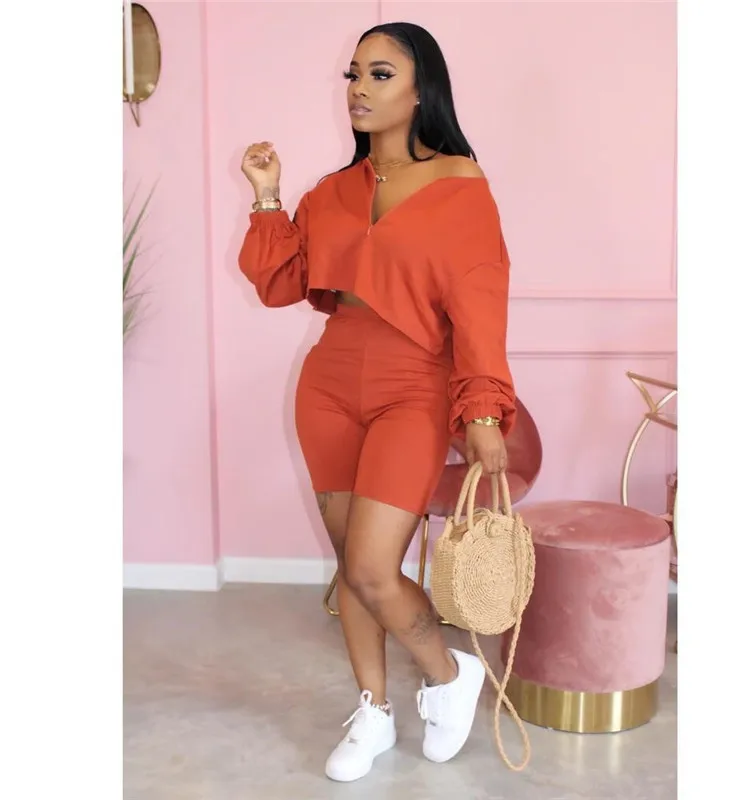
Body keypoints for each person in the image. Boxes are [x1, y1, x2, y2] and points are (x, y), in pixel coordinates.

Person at [238, 21, 516, 782]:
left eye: (380, 74)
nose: (359, 88)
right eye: (353, 75)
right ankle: (373, 710)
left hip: (414, 385)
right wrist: (266, 197)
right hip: (329, 384)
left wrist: (482, 412)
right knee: (349, 563)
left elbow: (480, 305)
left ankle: (449, 675)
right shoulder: (332, 191)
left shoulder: (460, 184)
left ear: (423, 89)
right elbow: (281, 284)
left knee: (370, 567)